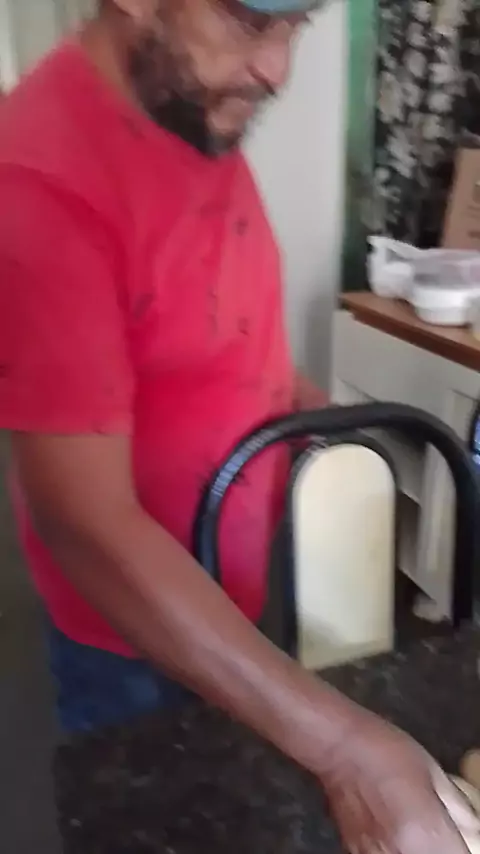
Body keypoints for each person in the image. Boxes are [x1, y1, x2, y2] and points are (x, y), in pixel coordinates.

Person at [0, 2, 477, 851]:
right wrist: (345, 751)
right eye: (254, 22)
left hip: (242, 586)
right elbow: (85, 524)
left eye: (299, 26)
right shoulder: (39, 182)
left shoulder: (191, 110)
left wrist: (304, 409)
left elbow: (216, 333)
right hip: (134, 639)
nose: (278, 70)